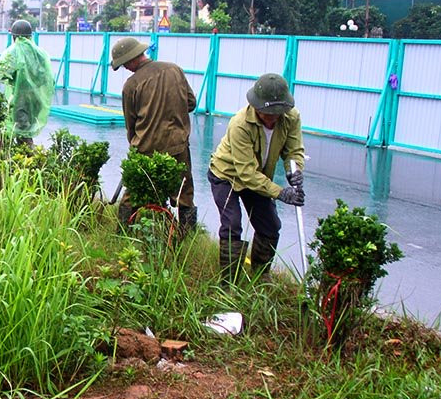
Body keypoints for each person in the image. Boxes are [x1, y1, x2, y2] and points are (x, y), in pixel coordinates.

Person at [208, 73, 305, 284]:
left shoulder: (291, 117)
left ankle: (261, 274)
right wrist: (280, 192)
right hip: (227, 175)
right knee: (232, 224)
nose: (272, 118)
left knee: (270, 225)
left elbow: (294, 150)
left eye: (276, 113)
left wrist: (293, 171)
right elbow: (246, 173)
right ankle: (228, 283)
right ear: (256, 106)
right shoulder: (239, 124)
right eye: (266, 113)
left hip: (258, 177)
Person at [110, 36, 198, 232]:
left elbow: (130, 124)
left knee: (133, 194)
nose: (125, 68)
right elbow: (191, 103)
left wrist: (135, 144)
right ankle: (188, 238)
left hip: (145, 149)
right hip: (178, 146)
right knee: (185, 195)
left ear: (133, 59)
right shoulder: (174, 70)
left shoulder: (131, 85)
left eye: (124, 64)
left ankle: (122, 233)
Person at [0, 19, 53, 145]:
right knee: (25, 131)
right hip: (36, 99)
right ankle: (27, 158)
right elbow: (47, 77)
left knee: (22, 134)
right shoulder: (40, 53)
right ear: (30, 35)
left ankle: (29, 159)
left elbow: (2, 74)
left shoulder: (12, 52)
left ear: (14, 36)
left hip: (20, 100)